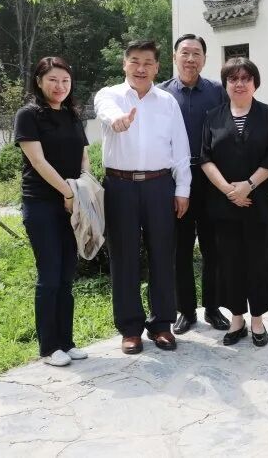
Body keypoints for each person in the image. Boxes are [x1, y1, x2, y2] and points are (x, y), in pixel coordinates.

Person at [94, 40, 192, 354]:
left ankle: (162, 324)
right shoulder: (109, 95)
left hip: (159, 185)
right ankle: (130, 328)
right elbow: (106, 112)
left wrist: (182, 189)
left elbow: (181, 148)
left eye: (148, 62)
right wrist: (118, 120)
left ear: (157, 67)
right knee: (123, 256)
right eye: (134, 61)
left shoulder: (167, 102)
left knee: (163, 254)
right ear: (124, 64)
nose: (141, 68)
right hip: (120, 186)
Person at [14, 57, 91, 367]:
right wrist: (67, 192)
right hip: (42, 204)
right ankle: (49, 347)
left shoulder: (73, 115)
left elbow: (84, 156)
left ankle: (66, 342)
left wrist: (81, 187)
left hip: (72, 204)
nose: (60, 86)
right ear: (39, 82)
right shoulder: (28, 115)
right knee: (49, 276)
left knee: (66, 276)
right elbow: (38, 161)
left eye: (65, 81)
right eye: (53, 80)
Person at [200, 57, 268, 347]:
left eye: (245, 78)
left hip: (258, 202)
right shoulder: (213, 116)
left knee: (259, 261)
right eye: (233, 79)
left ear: (255, 83)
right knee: (229, 262)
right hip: (223, 204)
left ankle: (257, 319)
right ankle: (237, 319)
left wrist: (248, 186)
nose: (239, 84)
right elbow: (205, 158)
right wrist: (228, 190)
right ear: (225, 84)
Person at [158, 34, 231, 334]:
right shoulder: (161, 94)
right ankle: (185, 311)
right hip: (176, 181)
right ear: (174, 57)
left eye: (196, 53)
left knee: (214, 247)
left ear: (204, 58)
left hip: (211, 179)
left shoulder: (217, 92)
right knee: (181, 248)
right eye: (185, 53)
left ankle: (213, 308)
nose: (190, 59)